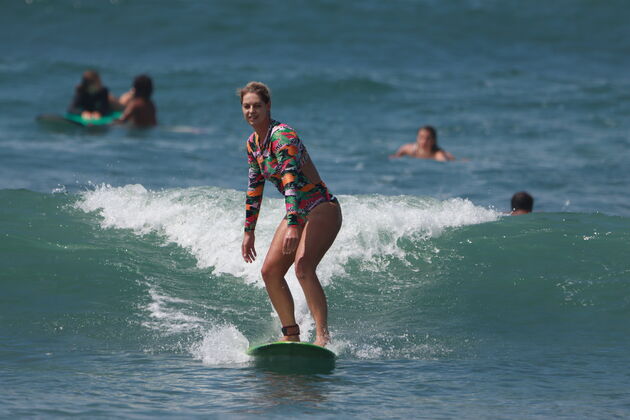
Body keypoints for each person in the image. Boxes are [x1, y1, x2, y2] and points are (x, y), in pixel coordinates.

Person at [239, 81, 342, 347]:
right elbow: (254, 188)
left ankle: (322, 338)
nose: (252, 111)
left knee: (303, 267)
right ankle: (291, 334)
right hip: (297, 210)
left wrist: (294, 224)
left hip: (321, 206)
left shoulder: (282, 136)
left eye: (257, 106)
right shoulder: (253, 144)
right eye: (247, 106)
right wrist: (248, 232)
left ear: (268, 107)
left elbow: (290, 181)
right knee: (270, 271)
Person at [390, 125, 455, 161]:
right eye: (421, 137)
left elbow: (443, 163)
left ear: (433, 141)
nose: (423, 141)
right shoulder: (408, 149)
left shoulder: (438, 154)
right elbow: (395, 157)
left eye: (428, 139)